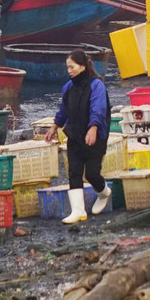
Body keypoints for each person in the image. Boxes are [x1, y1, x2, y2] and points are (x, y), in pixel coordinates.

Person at [45, 50, 111, 224]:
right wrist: (54, 126)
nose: (69, 71)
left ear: (82, 66)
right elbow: (63, 110)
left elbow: (99, 109)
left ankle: (104, 192)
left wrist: (93, 128)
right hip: (74, 134)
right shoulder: (68, 87)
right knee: (74, 172)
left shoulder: (97, 85)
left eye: (72, 67)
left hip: (95, 135)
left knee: (91, 174)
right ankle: (78, 211)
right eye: (67, 67)